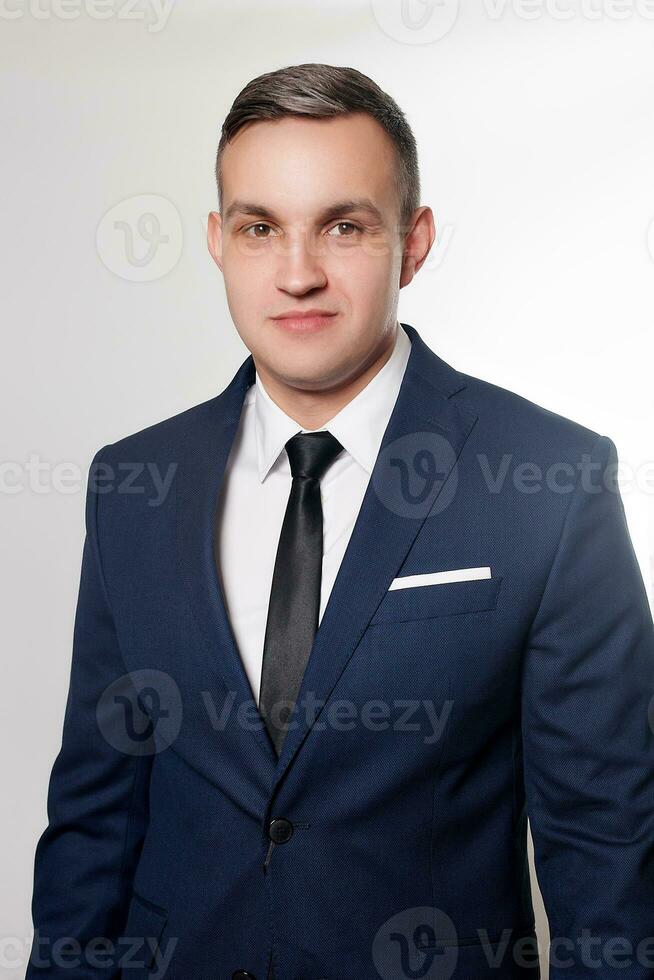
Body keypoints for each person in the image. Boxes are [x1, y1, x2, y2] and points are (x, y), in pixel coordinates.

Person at [26, 63, 654, 980]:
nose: (298, 273)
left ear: (414, 241)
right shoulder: (134, 482)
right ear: (217, 242)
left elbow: (608, 844)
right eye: (259, 228)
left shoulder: (549, 480)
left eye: (344, 226)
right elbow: (94, 820)